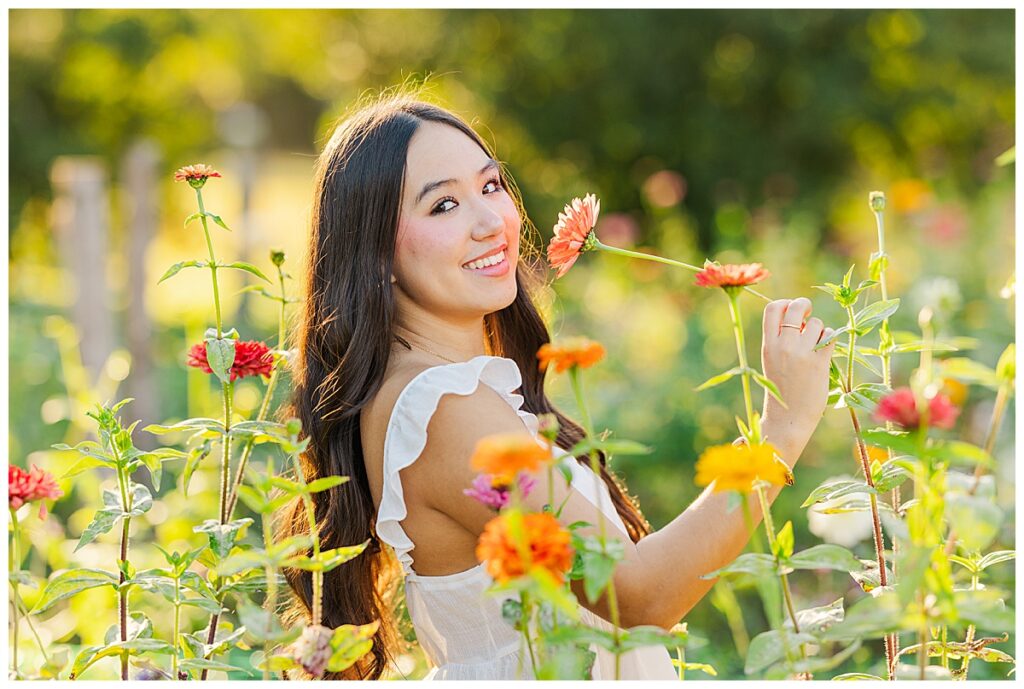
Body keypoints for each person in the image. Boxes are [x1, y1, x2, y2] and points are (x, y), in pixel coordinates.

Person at [276, 92, 837, 680]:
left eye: (491, 186)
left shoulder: (437, 391)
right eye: (443, 205)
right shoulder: (441, 407)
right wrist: (782, 430)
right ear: (375, 249)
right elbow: (637, 596)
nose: (491, 222)